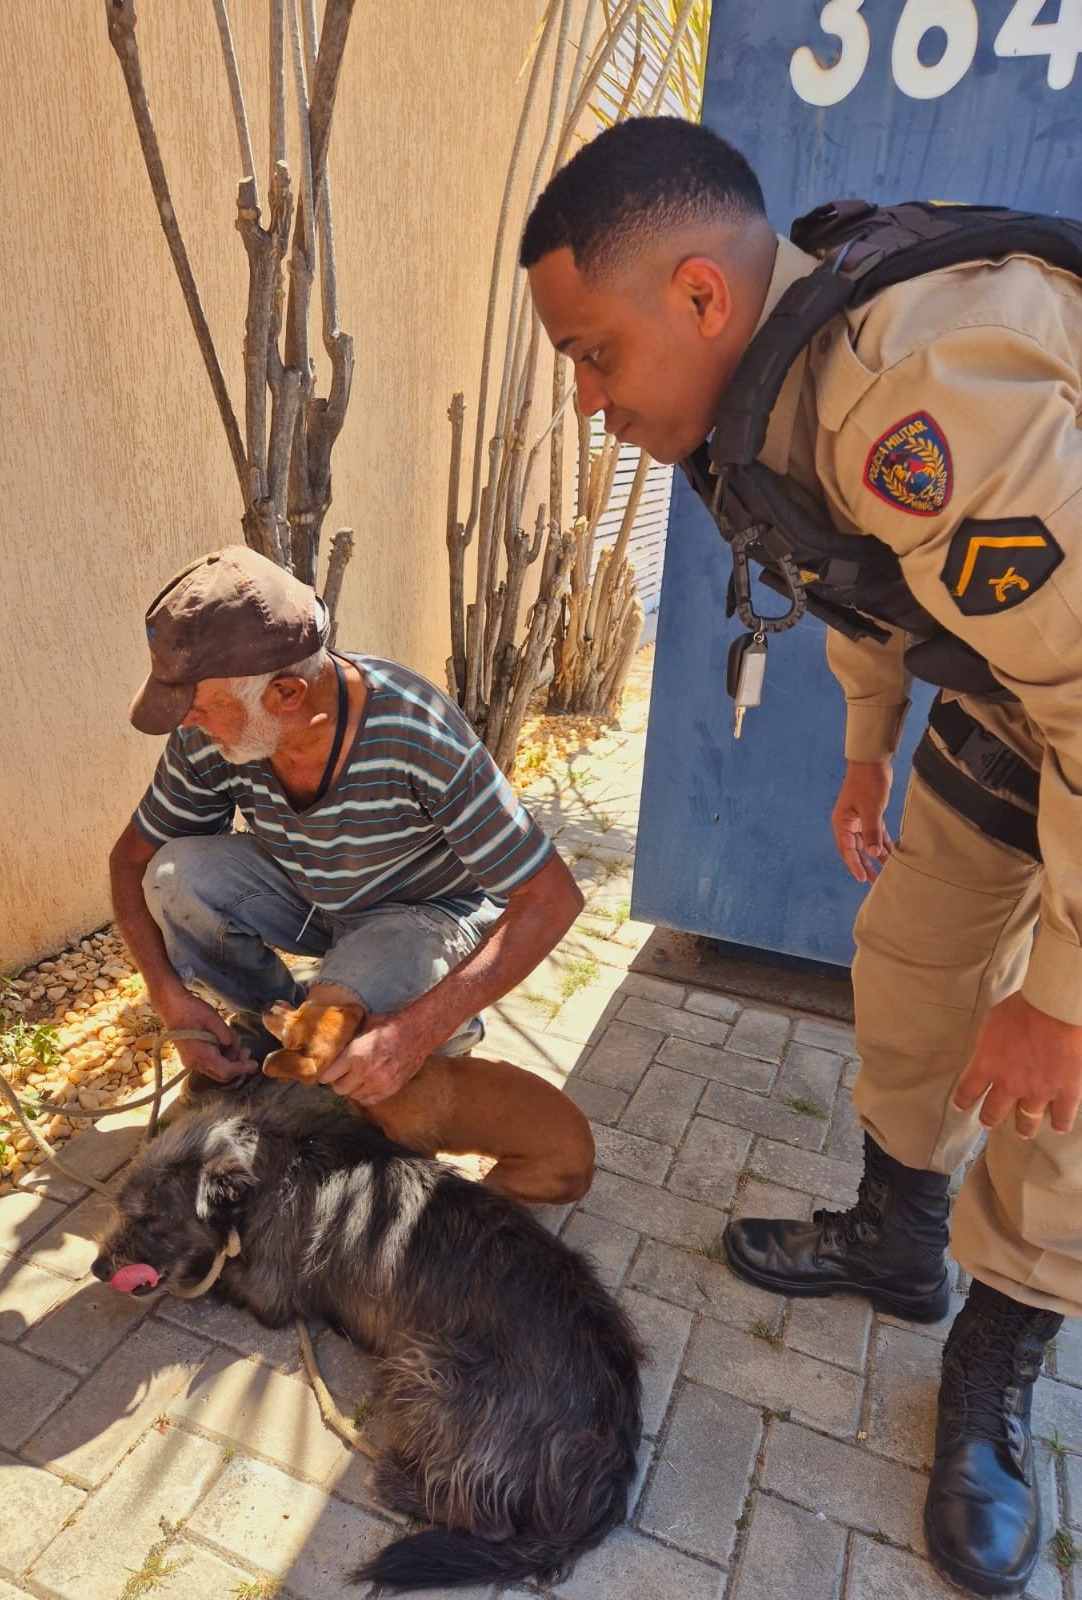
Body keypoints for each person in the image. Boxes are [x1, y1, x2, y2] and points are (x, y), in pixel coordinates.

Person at [520, 116, 1082, 1599]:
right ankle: (905, 1241)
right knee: (916, 958)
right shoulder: (795, 361)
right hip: (1028, 698)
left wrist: (1065, 994)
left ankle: (1002, 1348)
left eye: (592, 352)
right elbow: (858, 567)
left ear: (701, 297)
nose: (587, 403)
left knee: (1059, 1073)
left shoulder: (916, 392)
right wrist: (860, 749)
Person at [110, 544, 583, 1109]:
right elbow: (130, 861)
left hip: (422, 915)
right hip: (309, 894)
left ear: (286, 693)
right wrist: (167, 995)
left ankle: (430, 1037)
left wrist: (416, 1033)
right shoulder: (208, 736)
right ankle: (271, 1034)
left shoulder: (415, 731)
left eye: (200, 706)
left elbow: (553, 897)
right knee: (171, 875)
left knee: (345, 1057)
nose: (187, 721)